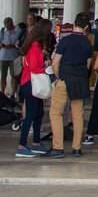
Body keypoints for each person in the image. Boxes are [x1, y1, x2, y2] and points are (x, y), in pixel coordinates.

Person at [47, 12, 93, 160]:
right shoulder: (87, 43)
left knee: (56, 113)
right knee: (78, 115)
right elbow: (88, 64)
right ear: (86, 27)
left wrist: (56, 77)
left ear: (74, 24)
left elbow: (55, 62)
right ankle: (76, 148)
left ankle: (58, 147)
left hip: (65, 78)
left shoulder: (65, 41)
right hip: (80, 80)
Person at [14, 20, 52, 158]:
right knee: (31, 114)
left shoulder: (32, 45)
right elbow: (35, 67)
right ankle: (21, 146)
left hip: (28, 82)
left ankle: (36, 142)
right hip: (31, 83)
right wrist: (45, 65)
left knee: (38, 113)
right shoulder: (36, 47)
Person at [0, 17, 18, 100]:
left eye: (8, 23)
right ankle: (2, 92)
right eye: (5, 23)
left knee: (13, 75)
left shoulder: (15, 32)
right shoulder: (2, 32)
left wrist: (7, 45)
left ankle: (13, 93)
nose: (7, 25)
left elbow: (14, 43)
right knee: (3, 75)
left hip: (13, 56)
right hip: (3, 56)